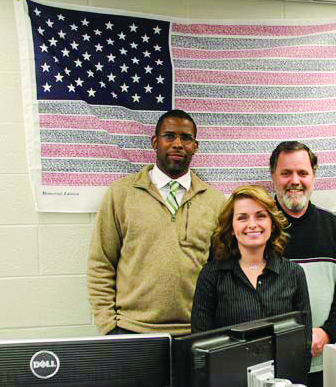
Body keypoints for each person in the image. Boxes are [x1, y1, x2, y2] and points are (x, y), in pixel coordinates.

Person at [87, 109, 226, 335]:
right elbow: (101, 263)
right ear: (155, 142)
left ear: (195, 146)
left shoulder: (214, 201)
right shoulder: (121, 194)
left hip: (196, 332)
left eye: (186, 138)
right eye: (169, 136)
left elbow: (221, 270)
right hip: (131, 330)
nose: (178, 144)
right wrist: (107, 326)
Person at [190, 185, 312, 371]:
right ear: (231, 227)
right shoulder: (211, 275)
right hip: (228, 384)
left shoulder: (293, 274)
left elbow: (304, 342)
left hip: (281, 385)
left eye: (260, 216)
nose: (252, 224)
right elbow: (200, 347)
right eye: (242, 218)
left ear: (272, 222)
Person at [269, 141, 336, 387]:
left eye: (302, 173)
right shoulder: (258, 229)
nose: (294, 180)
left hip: (321, 360)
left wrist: (328, 332)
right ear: (273, 176)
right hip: (267, 365)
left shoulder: (335, 229)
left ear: (313, 176)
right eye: (286, 173)